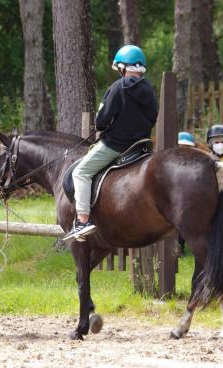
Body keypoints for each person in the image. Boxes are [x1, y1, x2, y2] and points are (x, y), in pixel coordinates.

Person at [63, 45, 158, 241]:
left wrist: (104, 126)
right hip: (140, 146)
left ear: (123, 67)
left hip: (116, 146)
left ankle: (82, 220)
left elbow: (102, 121)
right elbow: (153, 116)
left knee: (81, 172)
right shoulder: (149, 89)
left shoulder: (117, 88)